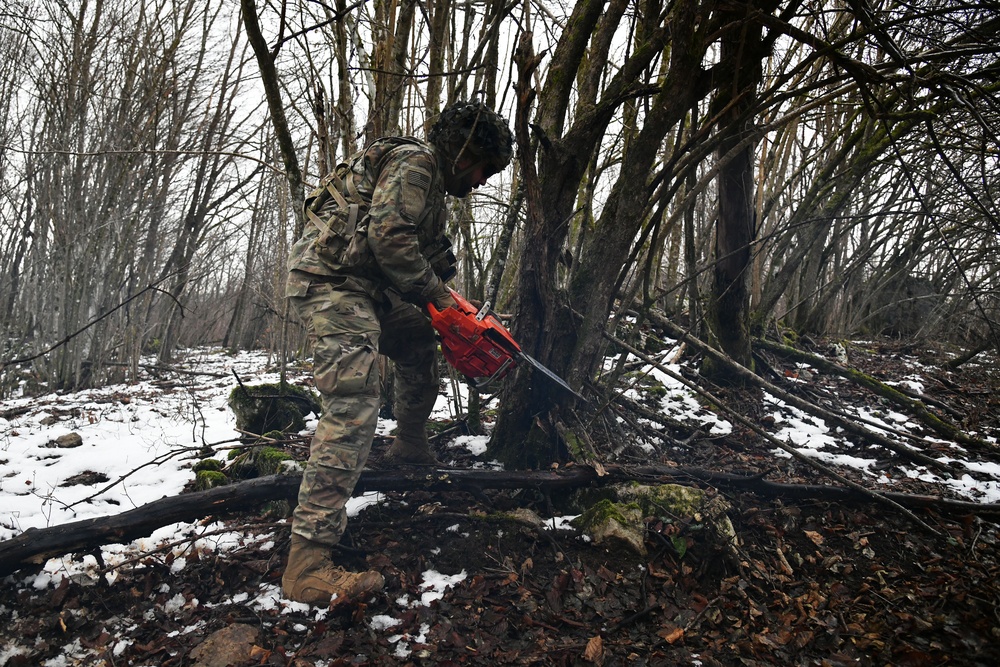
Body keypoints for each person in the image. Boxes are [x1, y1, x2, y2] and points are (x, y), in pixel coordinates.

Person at [281, 99, 514, 604]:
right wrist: (434, 295)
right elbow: (389, 239)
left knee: (417, 341)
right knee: (354, 401)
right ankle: (307, 563)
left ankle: (409, 442)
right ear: (463, 152)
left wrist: (455, 313)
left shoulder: (430, 189)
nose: (482, 180)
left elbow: (418, 255)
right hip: (333, 282)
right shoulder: (418, 163)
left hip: (369, 288)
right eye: (482, 168)